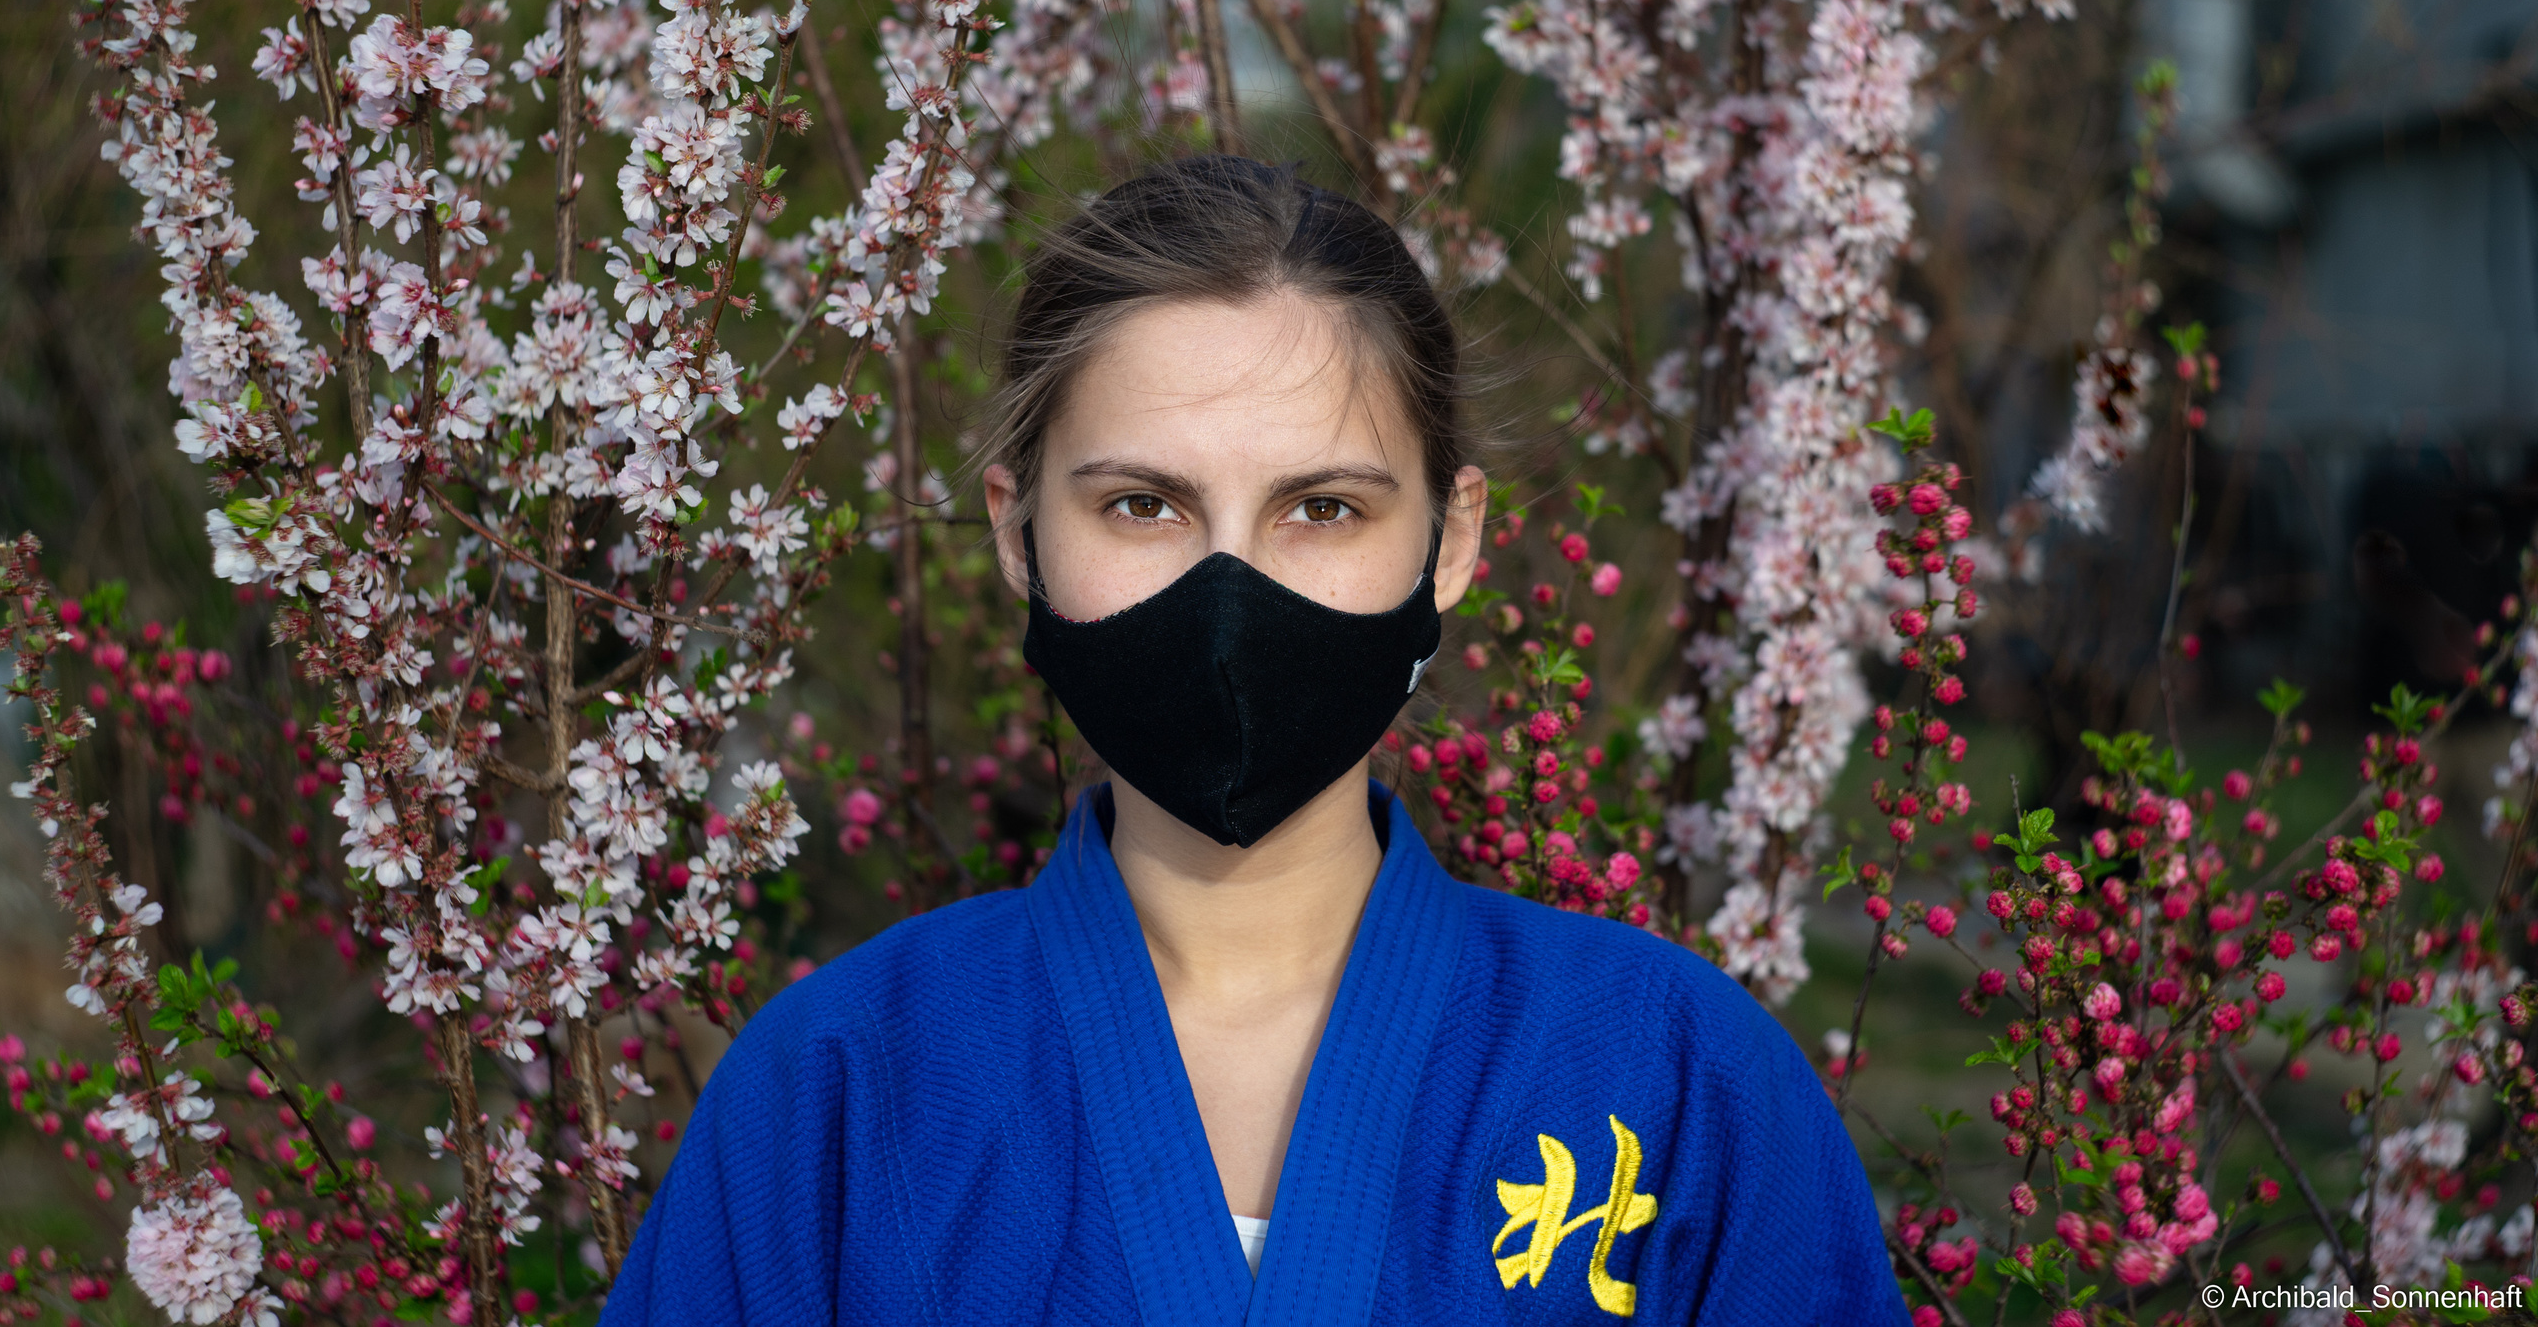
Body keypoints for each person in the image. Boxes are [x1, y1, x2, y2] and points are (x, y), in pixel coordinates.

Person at [602, 156, 1905, 1325]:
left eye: (1323, 507)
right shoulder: (836, 1097)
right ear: (1019, 533)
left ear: (1450, 540)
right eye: (1143, 503)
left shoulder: (1676, 1081)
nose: (1231, 595)